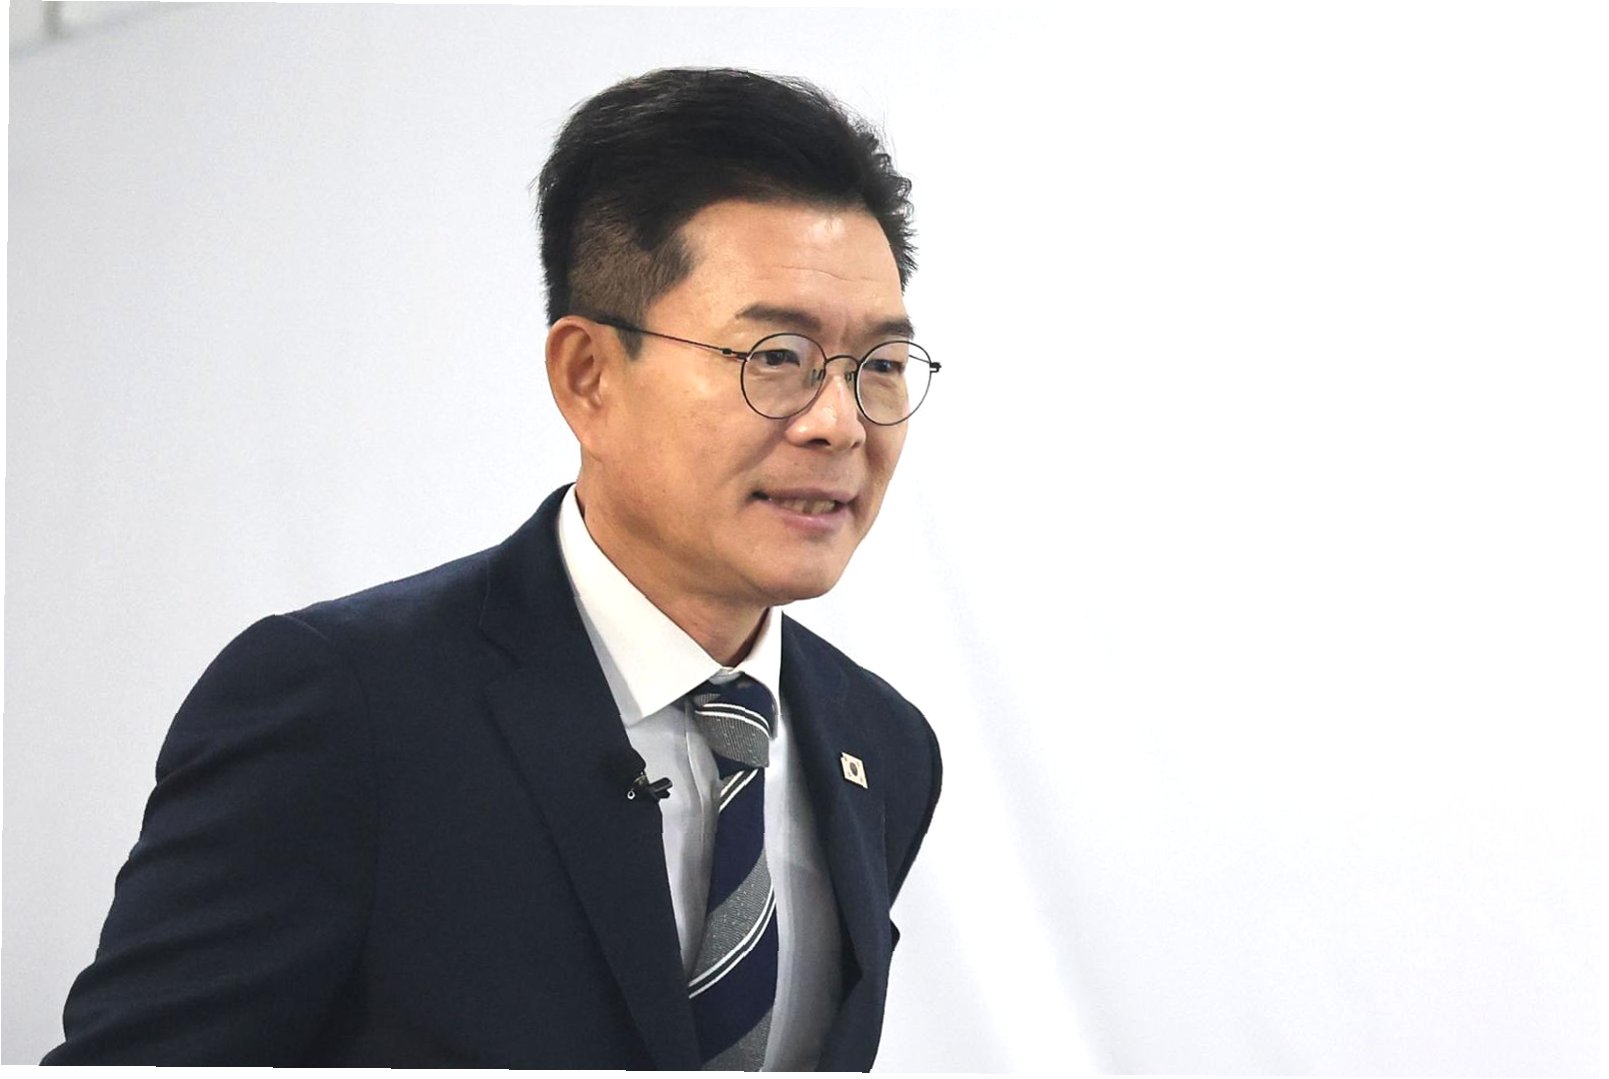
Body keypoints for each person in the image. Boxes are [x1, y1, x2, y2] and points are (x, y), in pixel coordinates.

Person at [43, 67, 942, 1069]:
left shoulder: (883, 745)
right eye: (774, 356)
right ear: (587, 377)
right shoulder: (346, 705)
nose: (838, 422)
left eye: (880, 366)